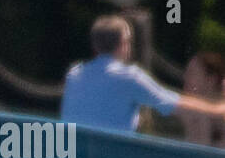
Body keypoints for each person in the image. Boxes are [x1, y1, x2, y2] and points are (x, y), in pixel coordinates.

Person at [61, 16, 225, 134]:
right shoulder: (129, 77)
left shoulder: (74, 74)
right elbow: (174, 104)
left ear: (95, 45)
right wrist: (217, 109)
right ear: (124, 44)